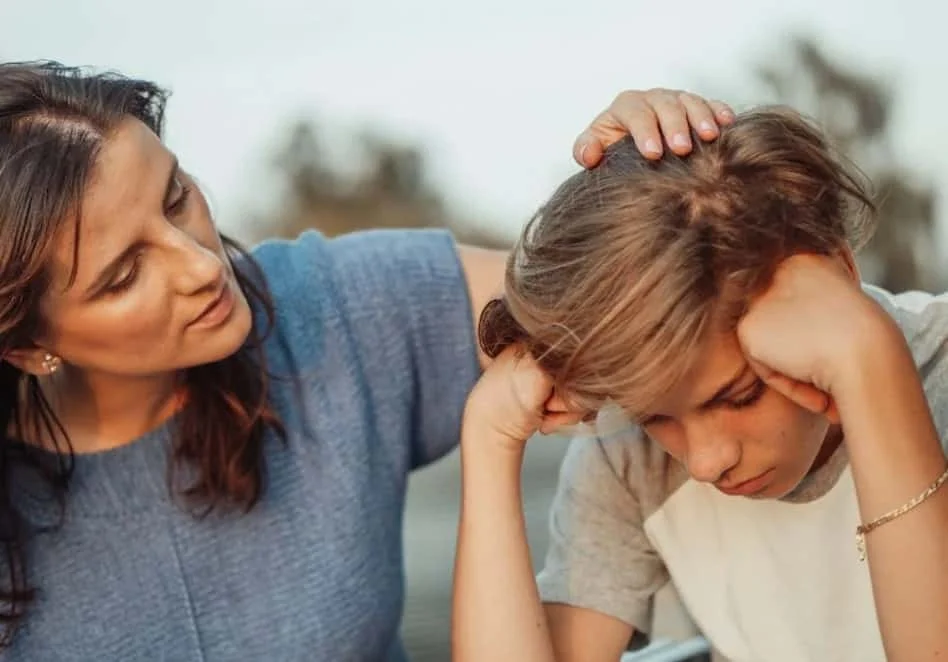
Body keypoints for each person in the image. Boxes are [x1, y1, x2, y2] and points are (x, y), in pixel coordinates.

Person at [0, 59, 732, 660]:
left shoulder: (337, 307)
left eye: (175, 197)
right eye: (124, 275)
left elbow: (628, 294)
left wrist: (654, 180)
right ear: (29, 347)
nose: (199, 265)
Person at [453, 107, 948, 661]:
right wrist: (489, 438)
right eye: (655, 416)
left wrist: (870, 365)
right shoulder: (628, 457)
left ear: (838, 274)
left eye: (739, 395)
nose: (705, 462)